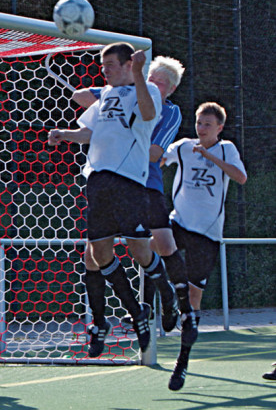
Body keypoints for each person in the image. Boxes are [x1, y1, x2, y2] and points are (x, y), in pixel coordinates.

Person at [48, 42, 176, 358]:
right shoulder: (105, 96)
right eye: (103, 65)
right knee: (99, 253)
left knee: (138, 250)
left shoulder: (147, 92)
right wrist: (65, 135)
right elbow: (91, 133)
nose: (104, 70)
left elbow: (148, 113)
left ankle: (166, 291)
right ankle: (136, 312)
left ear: (126, 65)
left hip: (129, 182)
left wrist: (138, 72)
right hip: (98, 180)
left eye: (110, 65)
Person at [73, 56, 187, 332]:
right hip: (112, 185)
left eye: (160, 85)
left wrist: (124, 136)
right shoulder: (124, 94)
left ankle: (179, 307)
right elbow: (79, 96)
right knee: (94, 254)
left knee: (161, 245)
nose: (153, 87)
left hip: (145, 185)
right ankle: (106, 322)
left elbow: (154, 153)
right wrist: (113, 105)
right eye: (150, 81)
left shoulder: (169, 111)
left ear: (170, 90)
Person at [160, 102, 247, 390]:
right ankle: (167, 299)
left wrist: (209, 156)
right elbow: (159, 158)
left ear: (219, 128)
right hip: (180, 221)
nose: (202, 128)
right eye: (199, 122)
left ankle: (182, 363)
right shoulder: (184, 146)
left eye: (208, 124)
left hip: (207, 233)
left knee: (195, 299)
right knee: (153, 243)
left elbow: (240, 177)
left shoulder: (226, 149)